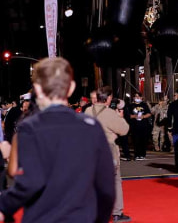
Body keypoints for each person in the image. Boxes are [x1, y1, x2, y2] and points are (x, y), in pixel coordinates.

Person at [0, 57, 115, 223]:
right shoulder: (91, 127)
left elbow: (31, 182)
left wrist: (4, 206)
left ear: (37, 89)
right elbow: (106, 185)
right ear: (71, 88)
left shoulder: (31, 127)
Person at [85, 86, 131, 223]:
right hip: (108, 151)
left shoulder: (88, 111)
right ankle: (117, 212)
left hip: (91, 150)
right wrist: (120, 117)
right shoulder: (110, 113)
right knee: (115, 181)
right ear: (108, 98)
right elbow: (124, 130)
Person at [123, 94, 152, 160]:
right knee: (136, 140)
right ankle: (137, 154)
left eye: (139, 96)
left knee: (143, 140)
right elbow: (128, 115)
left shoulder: (144, 105)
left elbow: (149, 113)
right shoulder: (131, 106)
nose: (137, 97)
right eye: (136, 96)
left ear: (141, 98)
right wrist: (135, 116)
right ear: (133, 98)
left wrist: (143, 116)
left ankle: (142, 154)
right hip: (134, 126)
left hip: (143, 125)